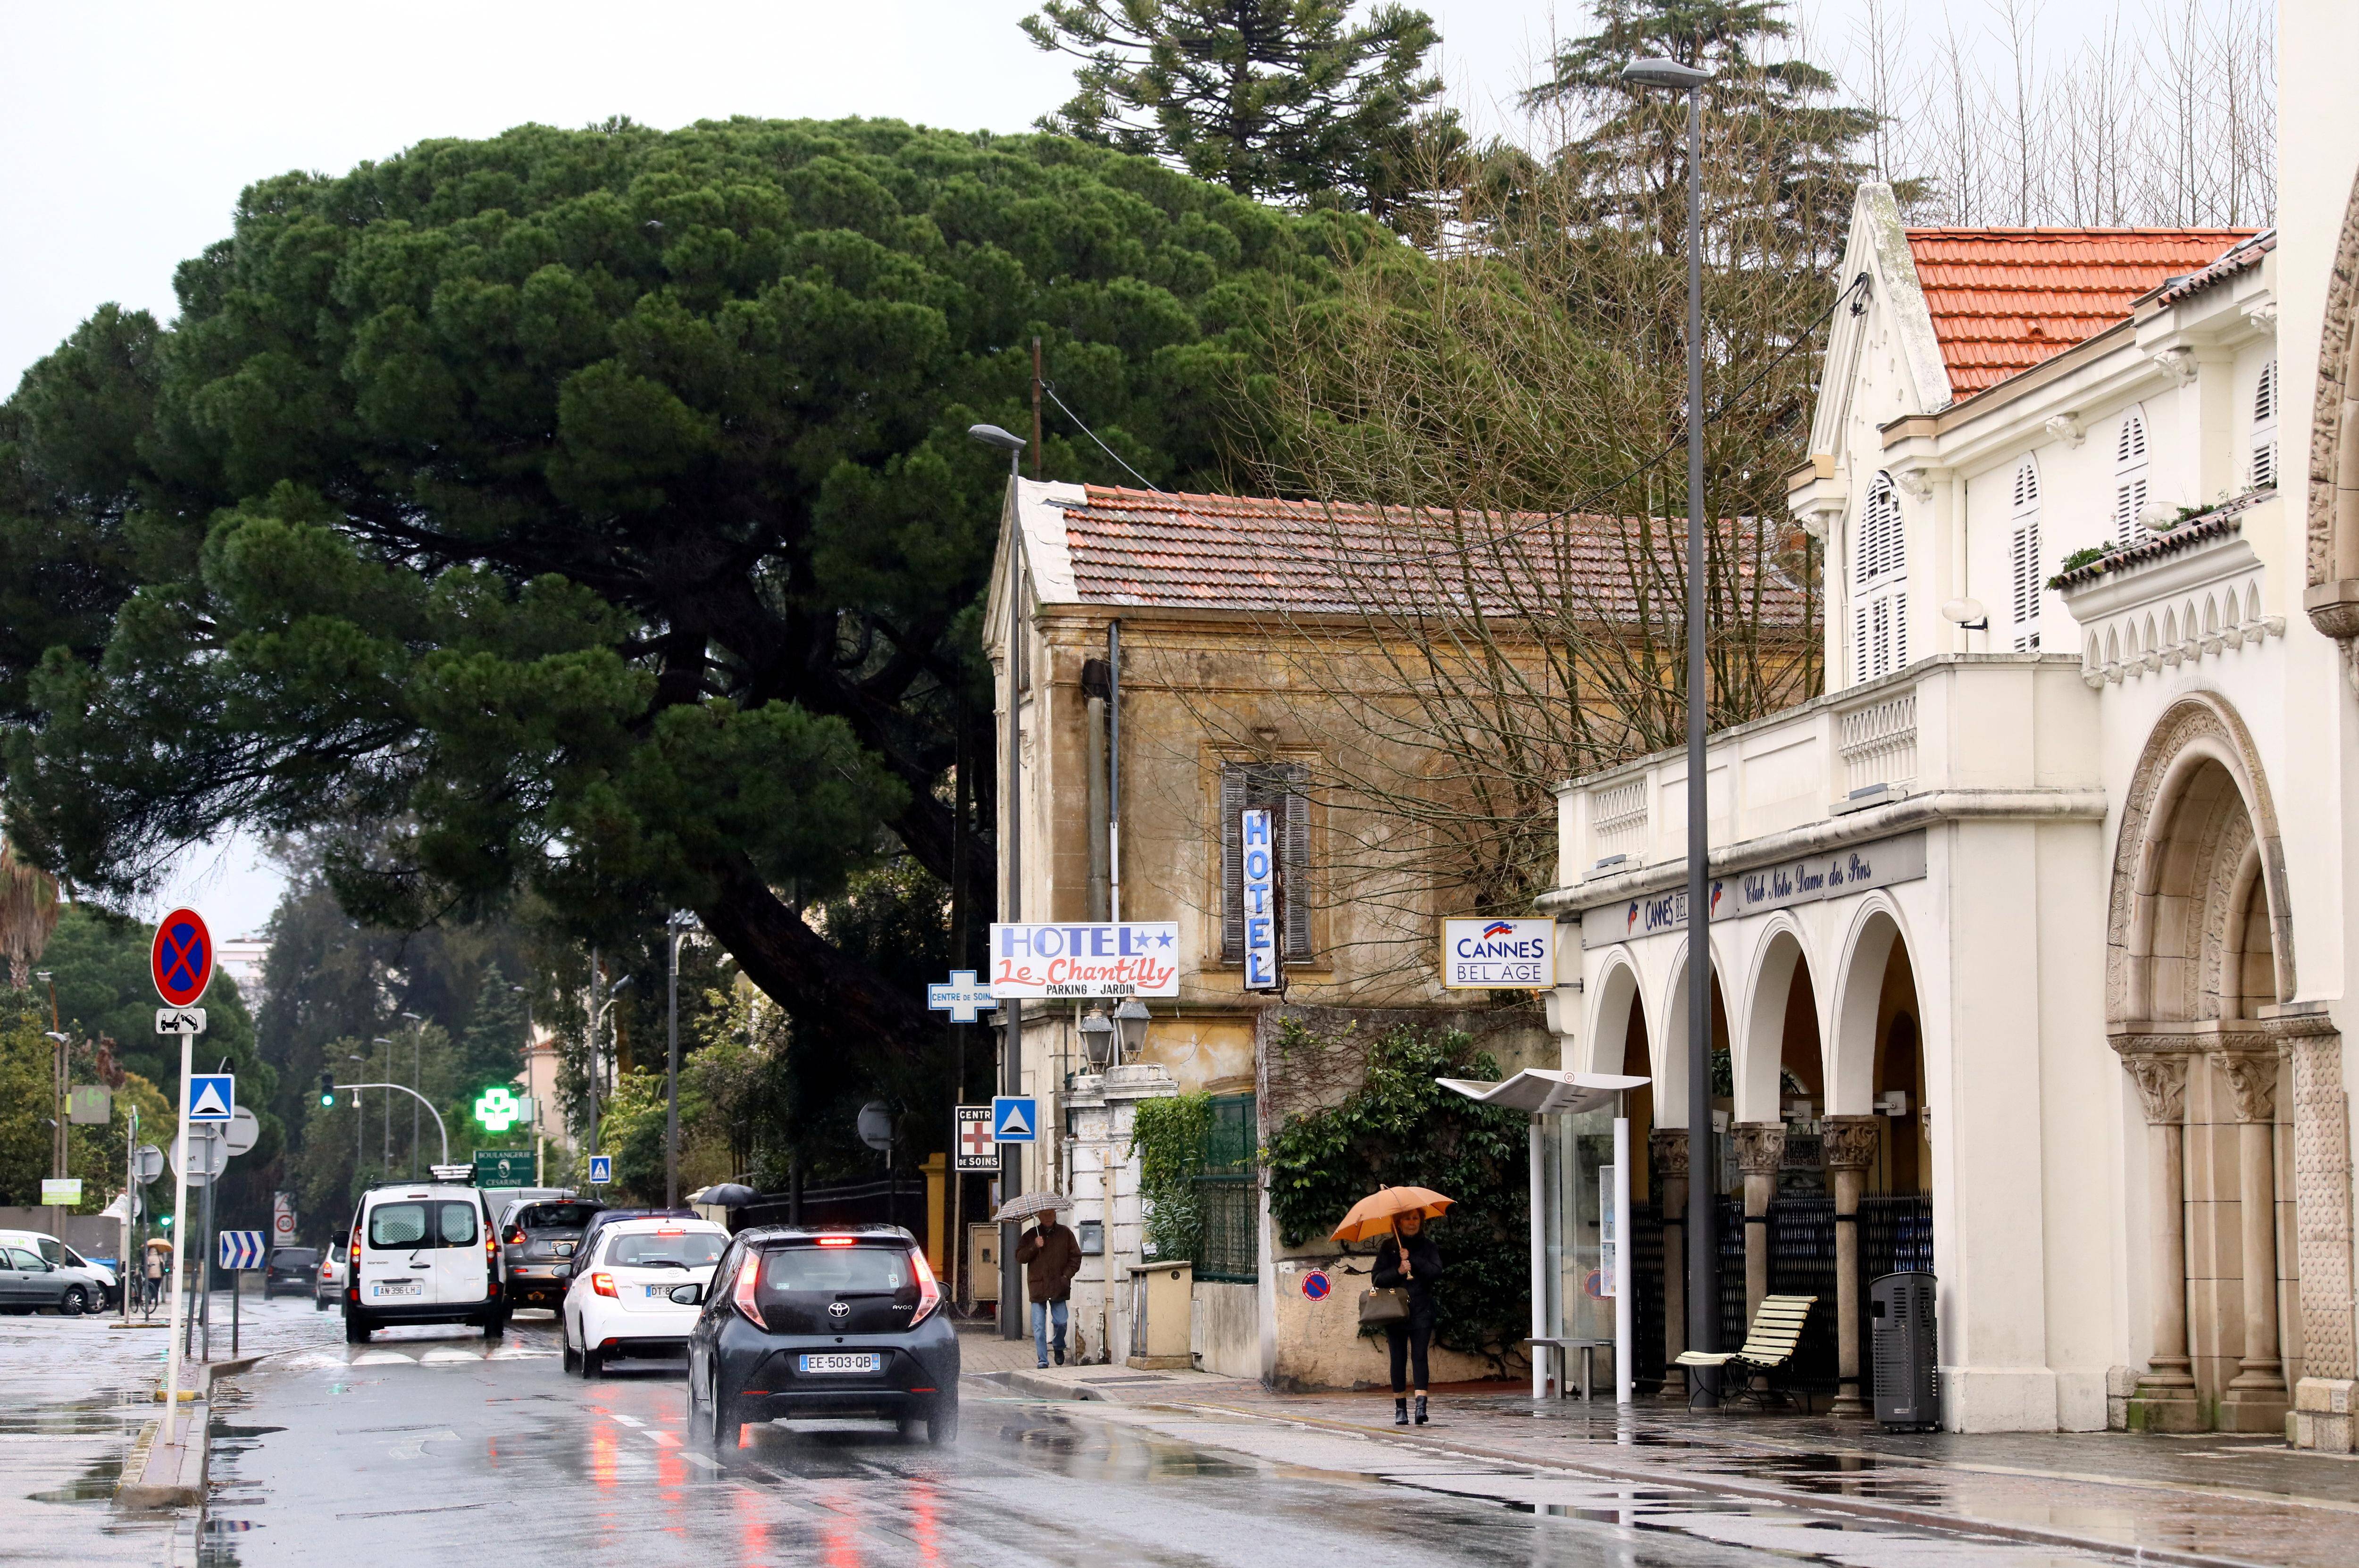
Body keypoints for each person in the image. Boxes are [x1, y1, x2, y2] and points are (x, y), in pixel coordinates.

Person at [1372, 1211, 1442, 1426]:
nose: (1412, 1223)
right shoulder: (1389, 1247)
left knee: (1420, 1356)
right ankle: (1400, 1409)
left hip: (1422, 1310)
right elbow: (1377, 1279)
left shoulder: (1428, 1246)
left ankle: (1421, 1407)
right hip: (1395, 1312)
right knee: (1398, 1358)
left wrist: (1414, 1259)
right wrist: (1399, 1270)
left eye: (1416, 1219)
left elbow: (1436, 1272)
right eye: (1407, 1219)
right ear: (1398, 1222)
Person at [1014, 1207, 1081, 1368]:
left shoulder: (1065, 1233)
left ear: (1055, 1214)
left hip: (1059, 1286)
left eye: (1051, 1214)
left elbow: (1076, 1257)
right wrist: (1034, 1246)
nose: (1048, 1217)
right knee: (1039, 1328)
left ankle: (1058, 1346)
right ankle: (1043, 1360)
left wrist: (1066, 1276)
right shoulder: (1031, 1235)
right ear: (1039, 1217)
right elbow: (1020, 1257)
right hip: (1038, 1287)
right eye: (1045, 1215)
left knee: (1061, 1322)